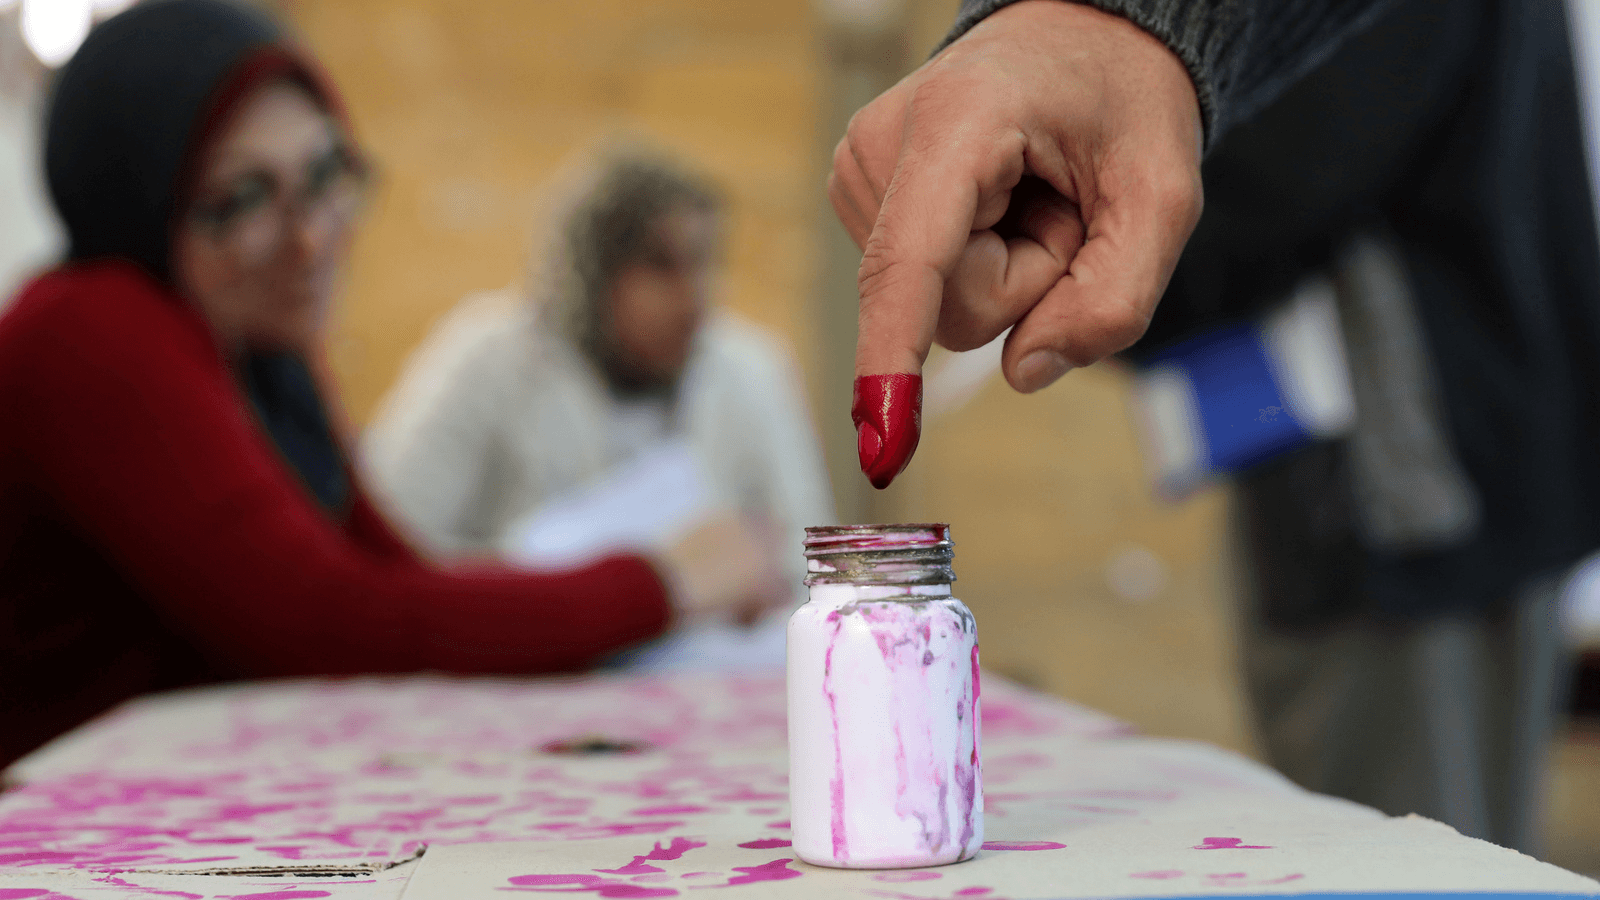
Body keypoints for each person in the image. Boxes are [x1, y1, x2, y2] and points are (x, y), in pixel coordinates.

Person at [830, 0, 1600, 854]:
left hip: (1402, 495)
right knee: (1462, 839)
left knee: (1398, 850)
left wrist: (1087, 225)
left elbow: (1275, 190)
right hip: (1478, 456)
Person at [0, 0, 781, 769]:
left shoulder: (256, 351)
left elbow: (396, 580)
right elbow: (332, 622)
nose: (310, 237)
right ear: (133, 195)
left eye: (325, 174)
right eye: (240, 199)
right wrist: (667, 581)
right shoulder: (90, 327)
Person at [363, 148, 835, 669]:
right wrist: (543, 592)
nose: (693, 296)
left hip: (700, 675)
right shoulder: (490, 363)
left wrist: (750, 580)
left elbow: (812, 562)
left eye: (705, 263)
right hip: (520, 667)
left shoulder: (750, 371)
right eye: (662, 265)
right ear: (595, 271)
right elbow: (391, 548)